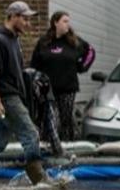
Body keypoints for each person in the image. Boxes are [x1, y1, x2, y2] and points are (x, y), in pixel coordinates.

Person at [0, 0, 48, 188]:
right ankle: (40, 182)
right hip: (7, 98)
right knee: (31, 134)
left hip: (11, 97)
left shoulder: (13, 40)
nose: (28, 24)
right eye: (25, 19)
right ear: (13, 16)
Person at [30, 11, 95, 140]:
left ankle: (67, 145)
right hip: (47, 90)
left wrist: (82, 67)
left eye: (68, 21)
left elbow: (91, 52)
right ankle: (47, 146)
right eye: (65, 21)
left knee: (66, 121)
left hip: (68, 89)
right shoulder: (44, 42)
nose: (68, 25)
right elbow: (34, 65)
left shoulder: (74, 42)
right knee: (49, 120)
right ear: (55, 22)